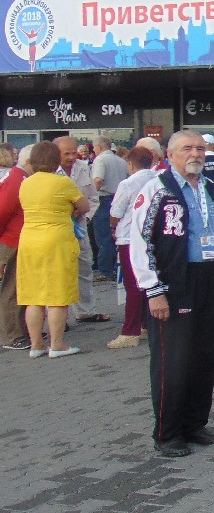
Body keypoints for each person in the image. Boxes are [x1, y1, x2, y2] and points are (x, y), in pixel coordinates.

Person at [130, 130, 214, 458]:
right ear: (170, 154)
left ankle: (195, 424)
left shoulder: (211, 188)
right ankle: (167, 433)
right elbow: (140, 241)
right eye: (187, 148)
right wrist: (154, 290)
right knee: (173, 361)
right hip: (175, 282)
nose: (195, 154)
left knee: (207, 355)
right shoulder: (157, 189)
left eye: (200, 148)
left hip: (211, 279)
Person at [18, 141, 90, 360]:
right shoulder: (63, 182)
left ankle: (36, 345)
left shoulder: (26, 183)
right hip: (56, 239)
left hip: (29, 239)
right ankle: (57, 344)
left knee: (33, 295)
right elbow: (84, 205)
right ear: (56, 160)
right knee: (58, 293)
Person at [106, 147, 159, 350]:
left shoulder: (128, 183)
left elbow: (116, 212)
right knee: (147, 281)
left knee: (132, 285)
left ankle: (130, 331)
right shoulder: (157, 179)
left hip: (129, 237)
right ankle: (145, 323)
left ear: (130, 164)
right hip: (151, 236)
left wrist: (113, 225)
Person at [55, 136, 109, 325]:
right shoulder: (50, 171)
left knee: (84, 267)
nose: (71, 157)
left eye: (73, 153)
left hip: (79, 227)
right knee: (59, 272)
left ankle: (86, 311)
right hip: (58, 228)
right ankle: (59, 318)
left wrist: (85, 217)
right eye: (66, 154)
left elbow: (93, 198)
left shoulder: (83, 167)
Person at [0, 144, 30, 351]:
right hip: (12, 240)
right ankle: (12, 335)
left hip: (18, 239)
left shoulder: (19, 177)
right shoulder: (16, 179)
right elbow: (3, 210)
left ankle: (21, 330)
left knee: (19, 288)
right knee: (11, 289)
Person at [91, 136, 126, 280]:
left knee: (103, 236)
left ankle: (105, 270)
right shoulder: (122, 161)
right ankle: (114, 266)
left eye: (94, 147)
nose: (93, 150)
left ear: (99, 147)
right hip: (119, 198)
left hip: (104, 199)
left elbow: (98, 179)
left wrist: (91, 195)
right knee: (115, 235)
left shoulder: (100, 160)